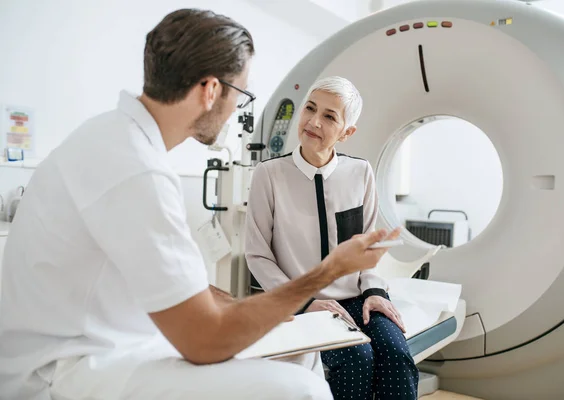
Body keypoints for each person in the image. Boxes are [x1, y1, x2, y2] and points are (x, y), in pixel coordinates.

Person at [0, 10, 401, 400]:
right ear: (211, 91)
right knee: (304, 390)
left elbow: (173, 282)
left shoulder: (110, 138)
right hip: (67, 370)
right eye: (240, 94)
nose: (236, 109)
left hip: (92, 336)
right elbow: (203, 341)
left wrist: (251, 307)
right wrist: (327, 273)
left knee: (301, 357)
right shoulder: (139, 174)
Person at [245, 76, 420, 400]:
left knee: (396, 356)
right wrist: (304, 301)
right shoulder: (269, 175)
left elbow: (370, 249)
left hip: (357, 298)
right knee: (356, 359)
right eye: (310, 108)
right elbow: (257, 255)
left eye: (329, 116)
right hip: (303, 300)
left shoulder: (360, 173)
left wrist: (375, 291)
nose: (313, 121)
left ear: (346, 132)